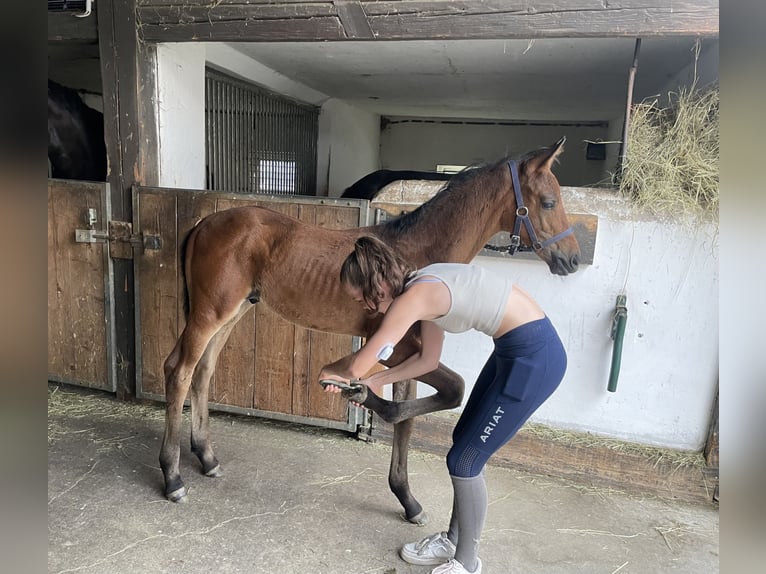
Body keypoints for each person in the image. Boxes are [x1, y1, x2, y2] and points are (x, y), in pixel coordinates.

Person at [318, 236, 568, 574]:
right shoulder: (423, 284)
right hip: (513, 352)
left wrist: (334, 371)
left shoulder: (416, 296)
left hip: (535, 359)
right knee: (463, 440)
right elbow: (427, 360)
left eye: (360, 295)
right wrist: (374, 383)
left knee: (465, 460)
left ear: (376, 283)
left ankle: (467, 562)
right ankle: (452, 541)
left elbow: (365, 359)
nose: (362, 304)